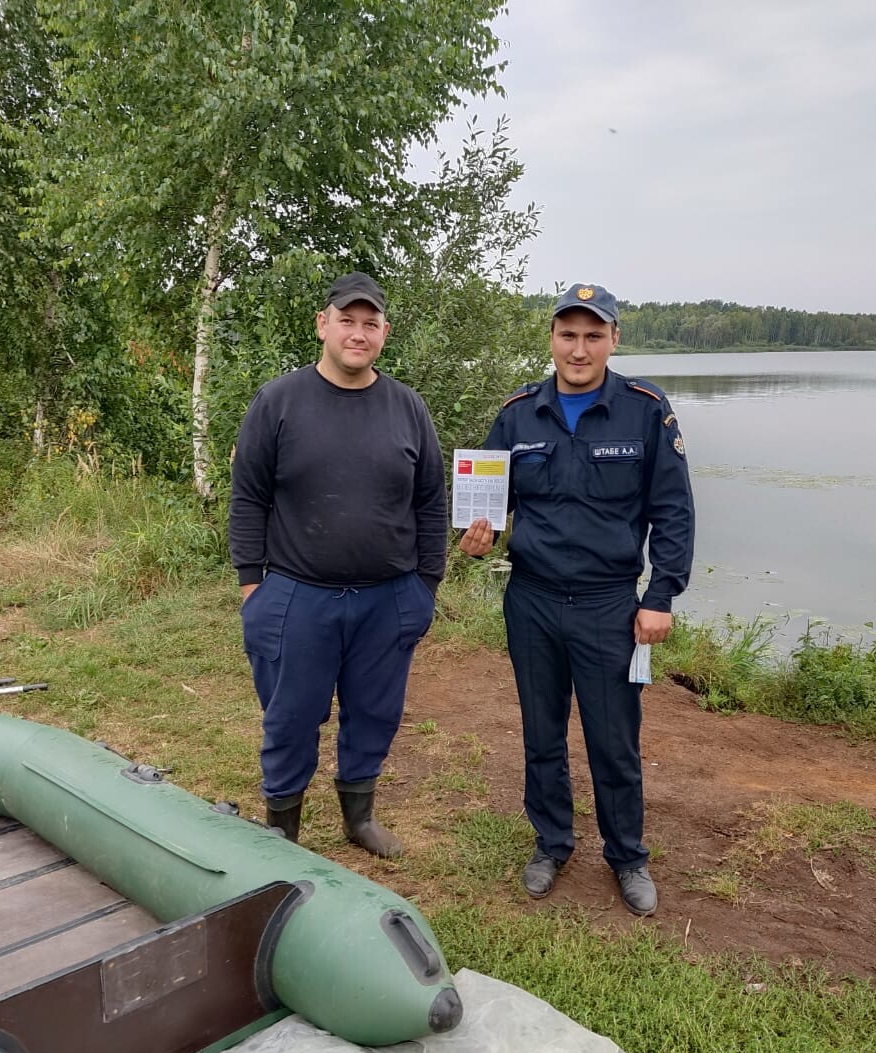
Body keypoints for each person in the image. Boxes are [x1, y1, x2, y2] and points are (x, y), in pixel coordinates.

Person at [459, 283, 694, 914]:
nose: (580, 348)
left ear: (614, 340)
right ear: (552, 339)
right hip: (531, 600)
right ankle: (552, 842)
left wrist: (661, 594)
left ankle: (627, 857)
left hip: (608, 604)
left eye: (594, 335)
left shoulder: (646, 410)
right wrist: (473, 536)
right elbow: (486, 505)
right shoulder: (517, 414)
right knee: (542, 732)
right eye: (569, 334)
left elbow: (673, 512)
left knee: (613, 739)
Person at [229, 271, 447, 856]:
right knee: (291, 718)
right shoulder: (278, 401)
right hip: (297, 595)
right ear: (322, 324)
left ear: (385, 332)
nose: (358, 333)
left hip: (388, 596)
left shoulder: (407, 407)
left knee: (374, 713)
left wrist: (426, 584)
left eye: (369, 323)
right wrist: (254, 586)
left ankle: (360, 818)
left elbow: (430, 499)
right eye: (346, 321)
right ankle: (282, 830)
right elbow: (248, 496)